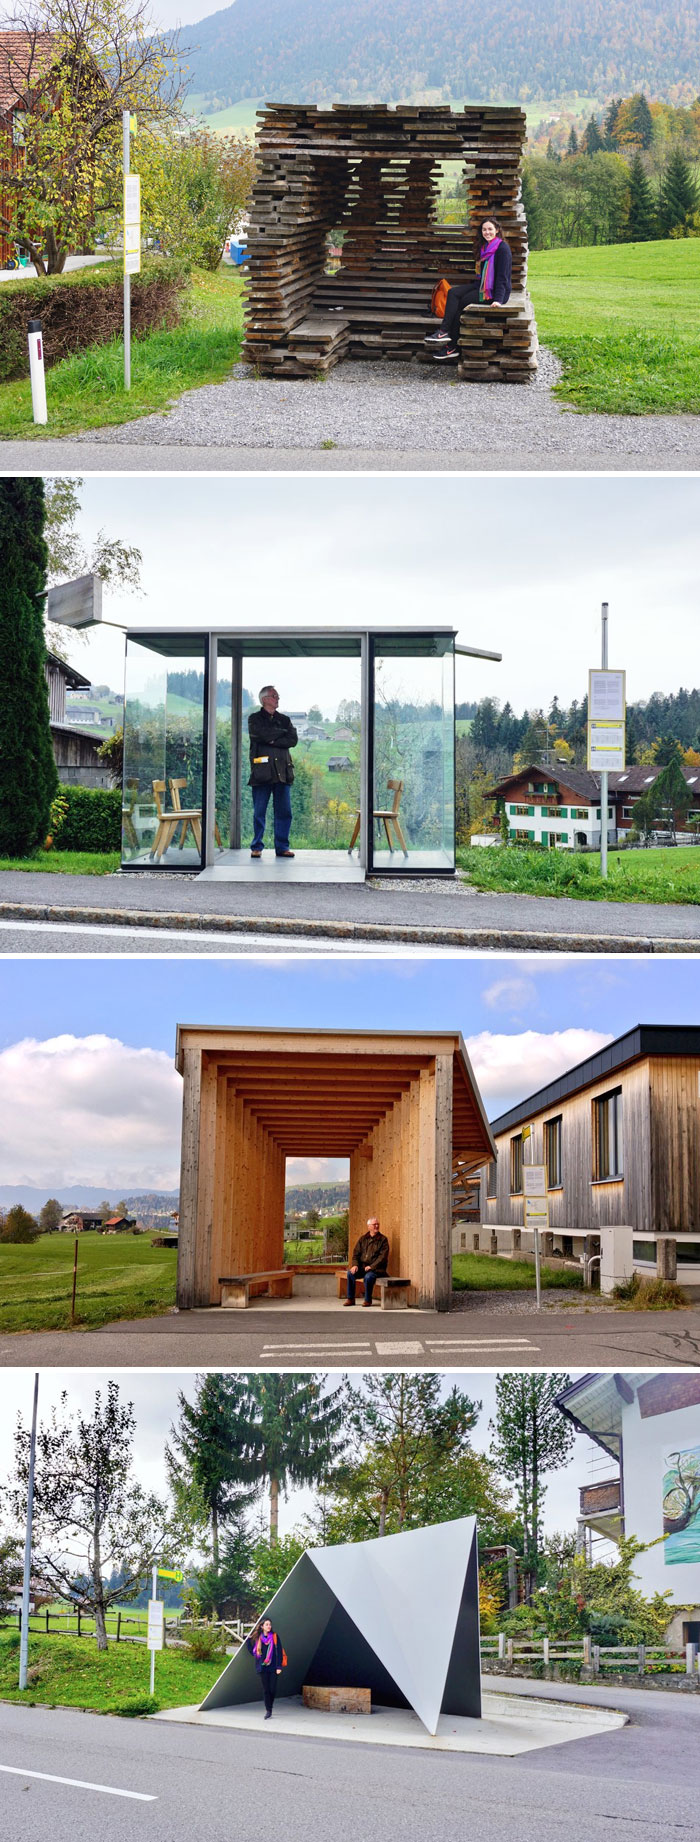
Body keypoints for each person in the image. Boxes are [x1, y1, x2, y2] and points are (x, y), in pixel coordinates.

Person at [424, 216, 512, 362]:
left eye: (490, 229)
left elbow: (503, 277)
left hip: (496, 293)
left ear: (497, 230)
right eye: (484, 229)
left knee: (462, 302)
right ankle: (444, 332)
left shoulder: (502, 248)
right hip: (482, 286)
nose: (487, 232)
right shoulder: (484, 247)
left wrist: (498, 300)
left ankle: (451, 347)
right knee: (453, 292)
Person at [248, 686, 298, 859]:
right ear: (265, 699)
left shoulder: (284, 719)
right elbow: (259, 734)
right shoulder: (254, 719)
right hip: (262, 773)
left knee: (284, 812)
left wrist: (272, 738)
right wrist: (280, 736)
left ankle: (282, 847)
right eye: (274, 696)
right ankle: (256, 846)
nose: (277, 698)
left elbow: (293, 739)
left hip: (283, 772)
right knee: (259, 811)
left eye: (277, 696)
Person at [344, 1215, 389, 1306]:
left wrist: (372, 1266)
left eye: (377, 1224)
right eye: (374, 1224)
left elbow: (382, 1257)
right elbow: (356, 1254)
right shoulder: (363, 1239)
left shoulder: (383, 1240)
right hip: (363, 1268)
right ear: (369, 1227)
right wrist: (355, 1265)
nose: (376, 1226)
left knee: (368, 1277)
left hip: (377, 1270)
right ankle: (350, 1299)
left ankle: (368, 1300)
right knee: (350, 1273)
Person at [246, 1617, 285, 1719]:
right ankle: (268, 1710)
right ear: (262, 1626)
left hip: (273, 1667)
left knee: (272, 1689)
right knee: (266, 1690)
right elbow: (252, 1652)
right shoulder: (258, 1638)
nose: (269, 1626)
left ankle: (270, 1706)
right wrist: (247, 1641)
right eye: (267, 1624)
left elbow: (279, 1652)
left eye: (270, 1624)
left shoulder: (275, 1637)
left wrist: (279, 1666)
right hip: (262, 1668)